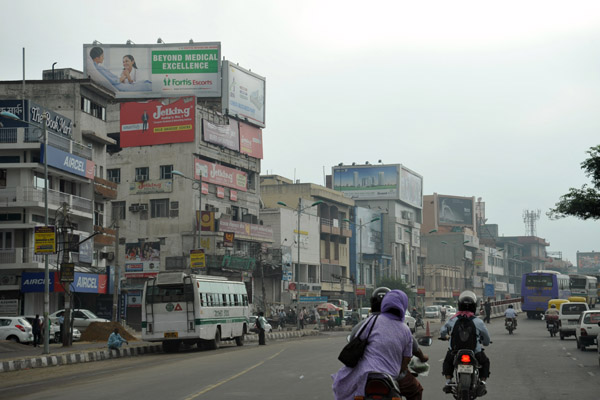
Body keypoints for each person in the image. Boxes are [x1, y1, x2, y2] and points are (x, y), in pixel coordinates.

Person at [332, 290, 415, 400]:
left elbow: (356, 339)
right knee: (415, 390)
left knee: (342, 386)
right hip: (391, 375)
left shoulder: (372, 320)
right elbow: (407, 358)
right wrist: (400, 371)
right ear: (403, 305)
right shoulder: (406, 330)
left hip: (365, 372)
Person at [440, 290, 491, 396]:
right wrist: (485, 343)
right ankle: (482, 382)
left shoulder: (452, 319)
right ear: (474, 306)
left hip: (454, 351)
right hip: (475, 352)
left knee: (447, 362)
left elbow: (442, 331)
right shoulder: (478, 321)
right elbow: (486, 338)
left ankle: (448, 382)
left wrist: (445, 336)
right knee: (485, 362)